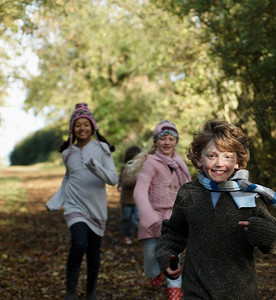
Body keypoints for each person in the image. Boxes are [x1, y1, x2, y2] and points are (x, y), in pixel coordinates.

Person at [156, 119, 276, 299]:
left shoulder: (249, 196)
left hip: (239, 291)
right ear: (198, 158)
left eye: (227, 157)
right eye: (212, 156)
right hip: (196, 288)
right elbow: (174, 232)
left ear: (238, 161)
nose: (219, 163)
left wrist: (265, 233)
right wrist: (167, 254)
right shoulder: (188, 193)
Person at [46, 103, 118, 300]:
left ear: (93, 126)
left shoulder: (102, 149)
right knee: (79, 244)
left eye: (86, 124)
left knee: (94, 253)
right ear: (72, 128)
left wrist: (96, 168)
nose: (82, 128)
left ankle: (91, 291)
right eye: (78, 125)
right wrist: (56, 201)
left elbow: (113, 179)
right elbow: (68, 178)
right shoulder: (67, 153)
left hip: (96, 208)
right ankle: (70, 293)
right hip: (74, 206)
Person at [128, 119, 191, 300]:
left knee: (173, 253)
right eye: (163, 139)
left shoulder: (181, 164)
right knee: (150, 257)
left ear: (176, 142)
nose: (167, 142)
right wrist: (147, 215)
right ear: (155, 142)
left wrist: (191, 213)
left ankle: (174, 288)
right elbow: (139, 190)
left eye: (171, 139)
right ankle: (154, 273)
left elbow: (187, 190)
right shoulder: (151, 163)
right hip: (152, 217)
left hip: (173, 218)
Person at [117, 145, 141, 245]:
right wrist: (120, 185)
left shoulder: (141, 167)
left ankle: (138, 233)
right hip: (126, 199)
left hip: (137, 199)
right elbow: (124, 181)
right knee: (126, 218)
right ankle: (126, 235)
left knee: (137, 217)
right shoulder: (126, 168)